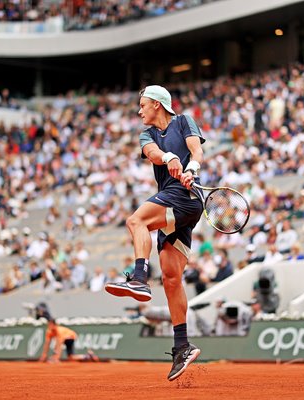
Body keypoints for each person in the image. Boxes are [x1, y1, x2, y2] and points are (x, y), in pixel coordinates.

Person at [104, 85, 204, 381]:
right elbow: (154, 153)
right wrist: (171, 158)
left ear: (158, 105)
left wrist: (192, 168)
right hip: (176, 205)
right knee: (172, 278)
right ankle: (182, 346)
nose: (140, 111)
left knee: (136, 221)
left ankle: (138, 277)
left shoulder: (184, 120)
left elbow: (196, 149)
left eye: (143, 105)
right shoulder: (146, 135)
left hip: (184, 195)